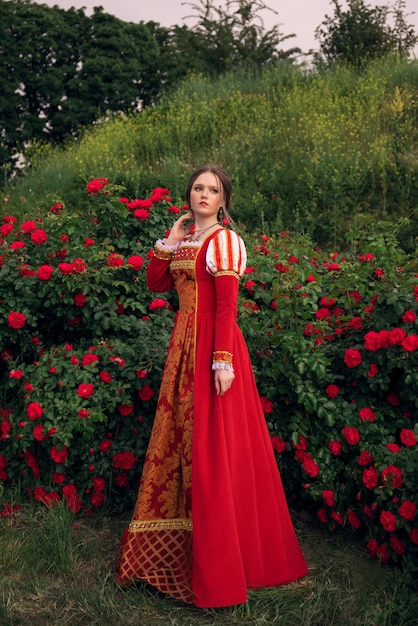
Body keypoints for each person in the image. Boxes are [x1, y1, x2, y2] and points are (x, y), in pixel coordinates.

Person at [115, 165, 308, 608]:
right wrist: (168, 240)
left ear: (224, 200)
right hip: (184, 344)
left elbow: (226, 308)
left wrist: (223, 361)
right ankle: (183, 548)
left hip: (212, 348)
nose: (204, 195)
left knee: (213, 447)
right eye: (198, 188)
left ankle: (224, 562)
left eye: (213, 190)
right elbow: (156, 284)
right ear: (190, 195)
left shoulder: (224, 241)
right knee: (183, 439)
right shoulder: (186, 241)